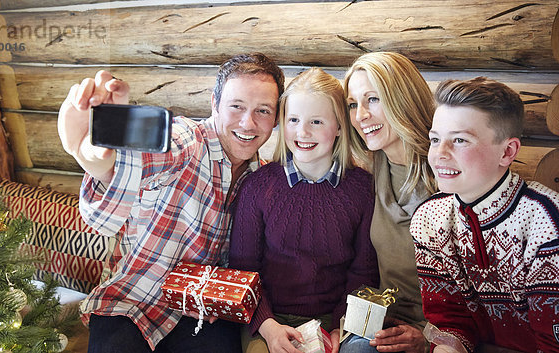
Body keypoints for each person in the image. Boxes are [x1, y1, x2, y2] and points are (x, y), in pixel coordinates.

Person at [57, 53, 285, 353]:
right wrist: (88, 152)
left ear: (277, 118)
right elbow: (129, 163)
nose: (248, 122)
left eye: (263, 111)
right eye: (236, 106)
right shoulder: (185, 141)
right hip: (131, 303)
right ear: (214, 103)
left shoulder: (263, 179)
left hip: (203, 312)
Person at [229, 67, 379, 353]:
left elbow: (364, 272)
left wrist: (340, 326)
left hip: (338, 317)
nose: (303, 132)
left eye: (317, 121)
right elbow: (244, 270)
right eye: (293, 120)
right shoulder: (259, 186)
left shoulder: (362, 190)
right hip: (269, 318)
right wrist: (268, 326)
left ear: (338, 127)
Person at [410, 77, 559, 353]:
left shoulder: (547, 221)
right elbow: (449, 321)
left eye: (460, 140)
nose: (439, 154)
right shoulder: (429, 219)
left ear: (507, 151)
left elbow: (553, 341)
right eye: (435, 139)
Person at [340, 52, 437, 353]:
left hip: (439, 332)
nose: (360, 116)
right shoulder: (372, 169)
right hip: (384, 321)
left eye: (373, 99)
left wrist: (428, 338)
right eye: (353, 104)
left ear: (403, 99)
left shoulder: (446, 174)